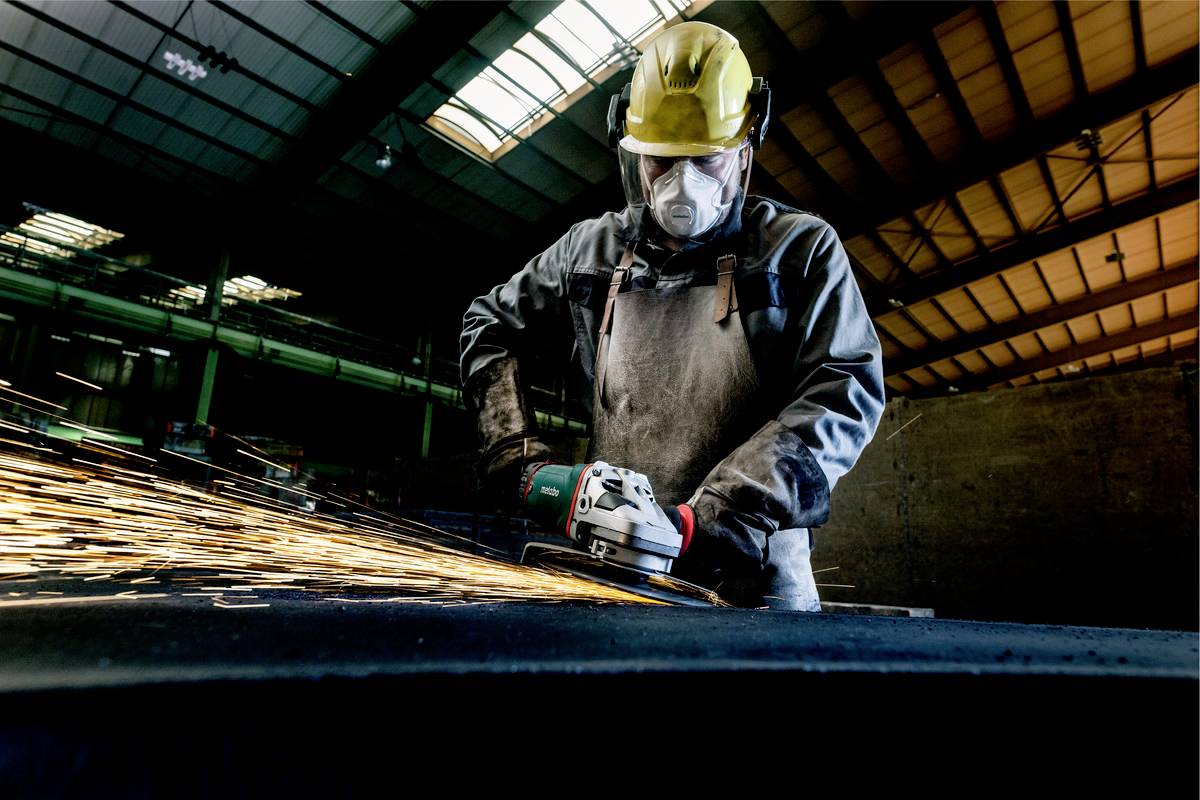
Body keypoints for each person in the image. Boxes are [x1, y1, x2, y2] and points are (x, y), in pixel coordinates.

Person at [460, 20, 884, 610]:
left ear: (744, 149)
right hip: (615, 565)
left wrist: (715, 516)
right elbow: (489, 326)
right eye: (661, 161)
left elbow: (845, 392)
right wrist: (518, 460)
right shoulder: (590, 252)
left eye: (706, 160)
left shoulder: (799, 250)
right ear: (631, 155)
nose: (683, 186)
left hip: (754, 577)